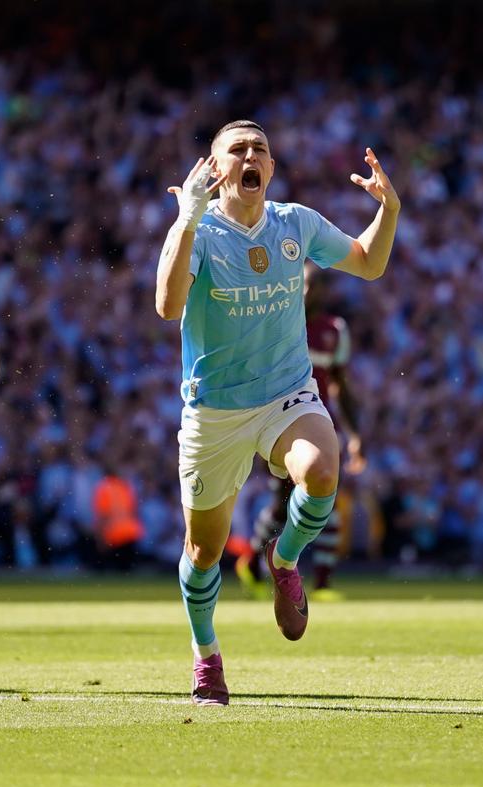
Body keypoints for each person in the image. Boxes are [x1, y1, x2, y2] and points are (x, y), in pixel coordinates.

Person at [156, 120, 399, 704]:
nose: (250, 156)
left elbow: (369, 262)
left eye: (259, 149)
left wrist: (389, 208)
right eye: (237, 149)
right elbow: (167, 305)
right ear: (216, 169)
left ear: (270, 167)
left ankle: (283, 560)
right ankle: (207, 657)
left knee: (321, 471)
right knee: (203, 552)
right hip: (215, 410)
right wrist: (185, 219)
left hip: (285, 394)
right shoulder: (198, 229)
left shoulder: (296, 223)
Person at [238, 263, 365, 601]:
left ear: (324, 291)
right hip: (282, 426)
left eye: (313, 286)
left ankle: (322, 583)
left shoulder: (335, 330)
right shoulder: (281, 323)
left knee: (327, 498)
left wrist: (355, 434)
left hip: (322, 425)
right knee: (282, 505)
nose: (307, 291)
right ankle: (254, 563)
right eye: (302, 284)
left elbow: (341, 386)